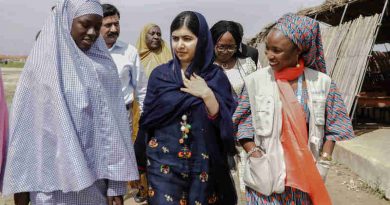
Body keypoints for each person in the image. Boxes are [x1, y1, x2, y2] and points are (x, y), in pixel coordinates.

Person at [1, 1, 139, 204]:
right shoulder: (38, 72)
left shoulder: (103, 70)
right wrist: (22, 189)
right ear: (66, 22)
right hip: (48, 188)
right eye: (85, 24)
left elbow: (115, 132)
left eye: (96, 25)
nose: (92, 32)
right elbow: (26, 135)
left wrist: (116, 186)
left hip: (93, 186)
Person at [233, 13, 355, 204]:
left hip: (305, 178)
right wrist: (254, 152)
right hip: (266, 176)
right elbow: (242, 123)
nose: (269, 56)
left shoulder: (322, 84)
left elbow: (336, 126)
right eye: (267, 49)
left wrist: (324, 159)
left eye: (277, 50)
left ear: (298, 50)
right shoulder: (255, 82)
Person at [135, 11, 237, 205]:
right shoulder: (160, 75)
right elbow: (147, 120)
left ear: (202, 40)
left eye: (187, 39)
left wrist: (207, 94)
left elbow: (226, 122)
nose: (180, 45)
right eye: (175, 38)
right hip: (162, 164)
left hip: (203, 165)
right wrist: (139, 160)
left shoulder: (214, 77)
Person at [210, 20, 257, 203]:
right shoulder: (205, 67)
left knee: (249, 179)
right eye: (221, 46)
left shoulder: (248, 65)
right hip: (217, 133)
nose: (225, 51)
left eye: (231, 47)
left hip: (245, 132)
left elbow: (257, 93)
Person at [133, 22, 173, 203]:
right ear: (144, 36)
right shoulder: (135, 57)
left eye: (159, 33)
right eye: (152, 33)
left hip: (166, 112)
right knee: (141, 148)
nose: (156, 37)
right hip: (140, 111)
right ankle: (143, 187)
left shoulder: (168, 55)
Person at [100, 3, 147, 126]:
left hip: (123, 118)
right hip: (95, 118)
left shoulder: (129, 52)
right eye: (108, 25)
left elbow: (142, 90)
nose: (114, 29)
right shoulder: (87, 52)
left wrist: (145, 119)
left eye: (116, 24)